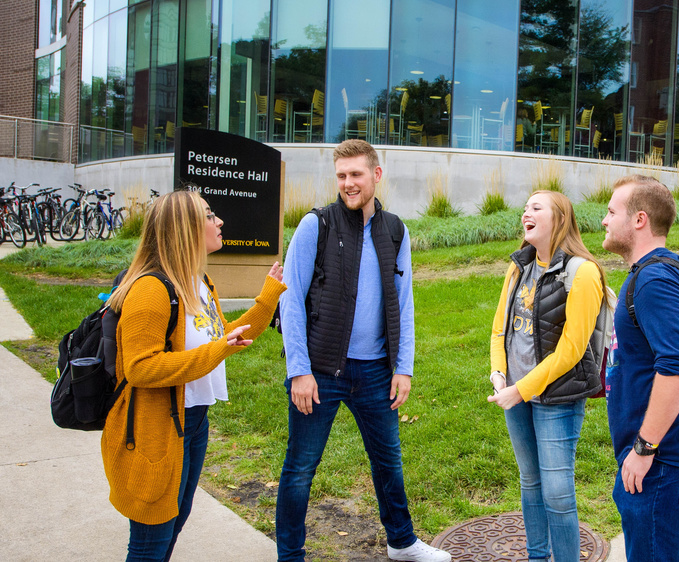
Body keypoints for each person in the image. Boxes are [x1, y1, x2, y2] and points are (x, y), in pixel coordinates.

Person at [276, 140, 450, 562]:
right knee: (300, 469)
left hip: (375, 373)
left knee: (388, 462)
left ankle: (402, 543)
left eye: (356, 174)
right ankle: (290, 555)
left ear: (376, 174)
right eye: (341, 176)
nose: (348, 183)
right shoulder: (315, 225)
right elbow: (290, 300)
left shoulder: (395, 230)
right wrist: (299, 370)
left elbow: (404, 303)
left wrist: (402, 367)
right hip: (320, 374)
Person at [101, 189, 286, 562]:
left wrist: (267, 298)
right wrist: (219, 349)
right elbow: (140, 367)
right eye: (209, 215)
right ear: (184, 229)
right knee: (150, 542)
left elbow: (224, 336)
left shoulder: (199, 283)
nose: (219, 222)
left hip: (193, 421)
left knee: (175, 524)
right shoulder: (150, 290)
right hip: (155, 428)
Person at [600, 175, 679, 562]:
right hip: (672, 464)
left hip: (665, 466)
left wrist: (644, 447)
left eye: (612, 211)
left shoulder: (655, 279)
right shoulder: (666, 270)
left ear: (639, 220)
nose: (604, 220)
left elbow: (678, 367)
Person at [488, 190, 607, 562]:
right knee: (531, 483)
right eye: (525, 207)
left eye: (536, 207)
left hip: (556, 397)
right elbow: (499, 328)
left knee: (557, 493)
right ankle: (537, 557)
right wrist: (498, 371)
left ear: (559, 219)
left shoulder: (583, 272)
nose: (526, 211)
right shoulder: (518, 266)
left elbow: (572, 350)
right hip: (515, 393)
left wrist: (520, 389)